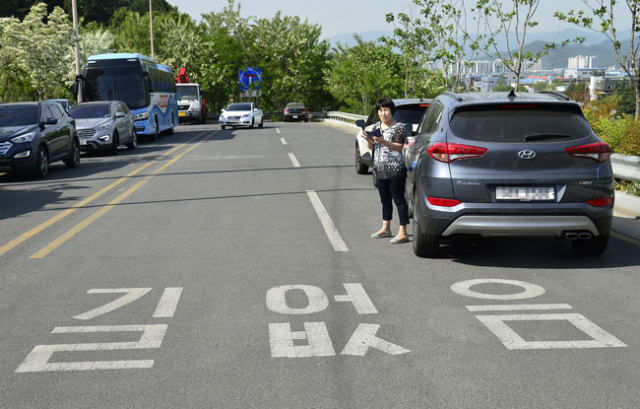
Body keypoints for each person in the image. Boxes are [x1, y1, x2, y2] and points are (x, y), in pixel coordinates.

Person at [358, 97, 410, 244]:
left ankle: (403, 231)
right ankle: (386, 228)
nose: (383, 113)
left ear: (391, 111)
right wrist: (368, 139)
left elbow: (399, 147)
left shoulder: (399, 127)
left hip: (395, 169)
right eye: (380, 110)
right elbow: (371, 147)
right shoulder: (377, 126)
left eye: (386, 109)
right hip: (379, 168)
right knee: (385, 201)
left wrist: (383, 141)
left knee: (399, 200)